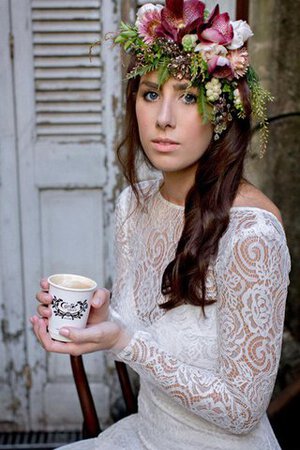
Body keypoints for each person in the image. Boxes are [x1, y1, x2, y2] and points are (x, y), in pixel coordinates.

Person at [30, 1, 291, 449]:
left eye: (189, 96)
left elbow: (244, 409)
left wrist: (125, 341)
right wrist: (100, 322)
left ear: (221, 113)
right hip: (145, 436)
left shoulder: (252, 236)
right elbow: (140, 329)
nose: (163, 118)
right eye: (150, 93)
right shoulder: (134, 205)